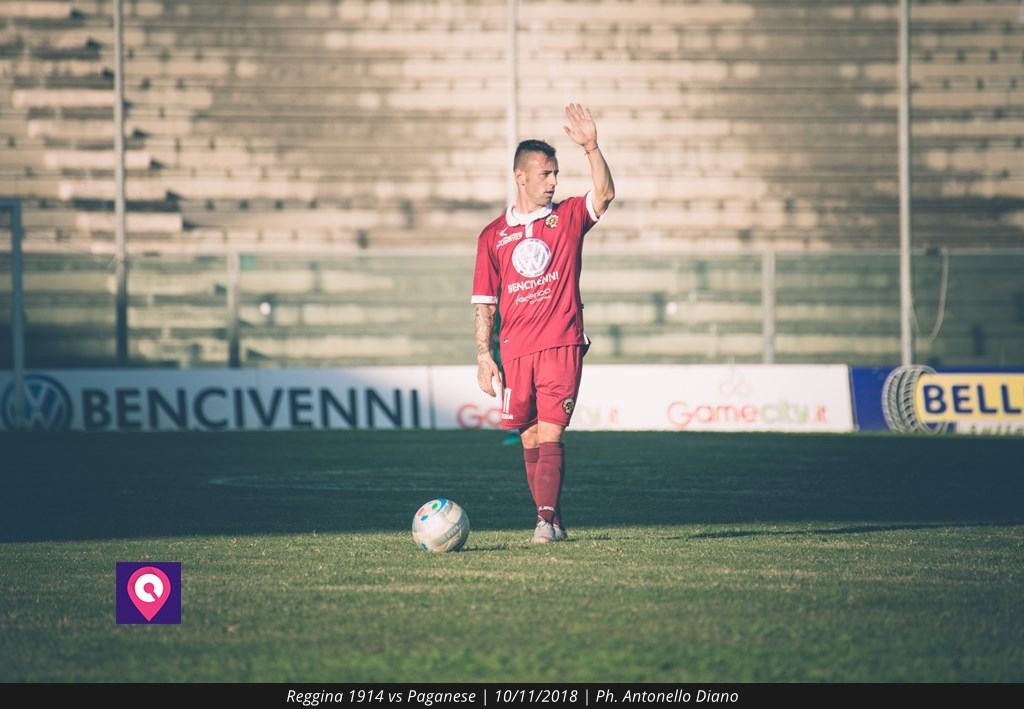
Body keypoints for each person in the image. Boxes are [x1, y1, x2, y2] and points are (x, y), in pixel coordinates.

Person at [471, 103, 615, 544]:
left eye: (555, 174)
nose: (553, 182)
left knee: (551, 431)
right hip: (515, 352)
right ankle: (551, 518)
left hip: (561, 343)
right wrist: (484, 355)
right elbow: (485, 303)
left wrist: (591, 147)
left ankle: (544, 523)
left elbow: (604, 194)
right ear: (521, 177)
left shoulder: (568, 216)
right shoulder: (493, 236)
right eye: (545, 174)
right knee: (530, 437)